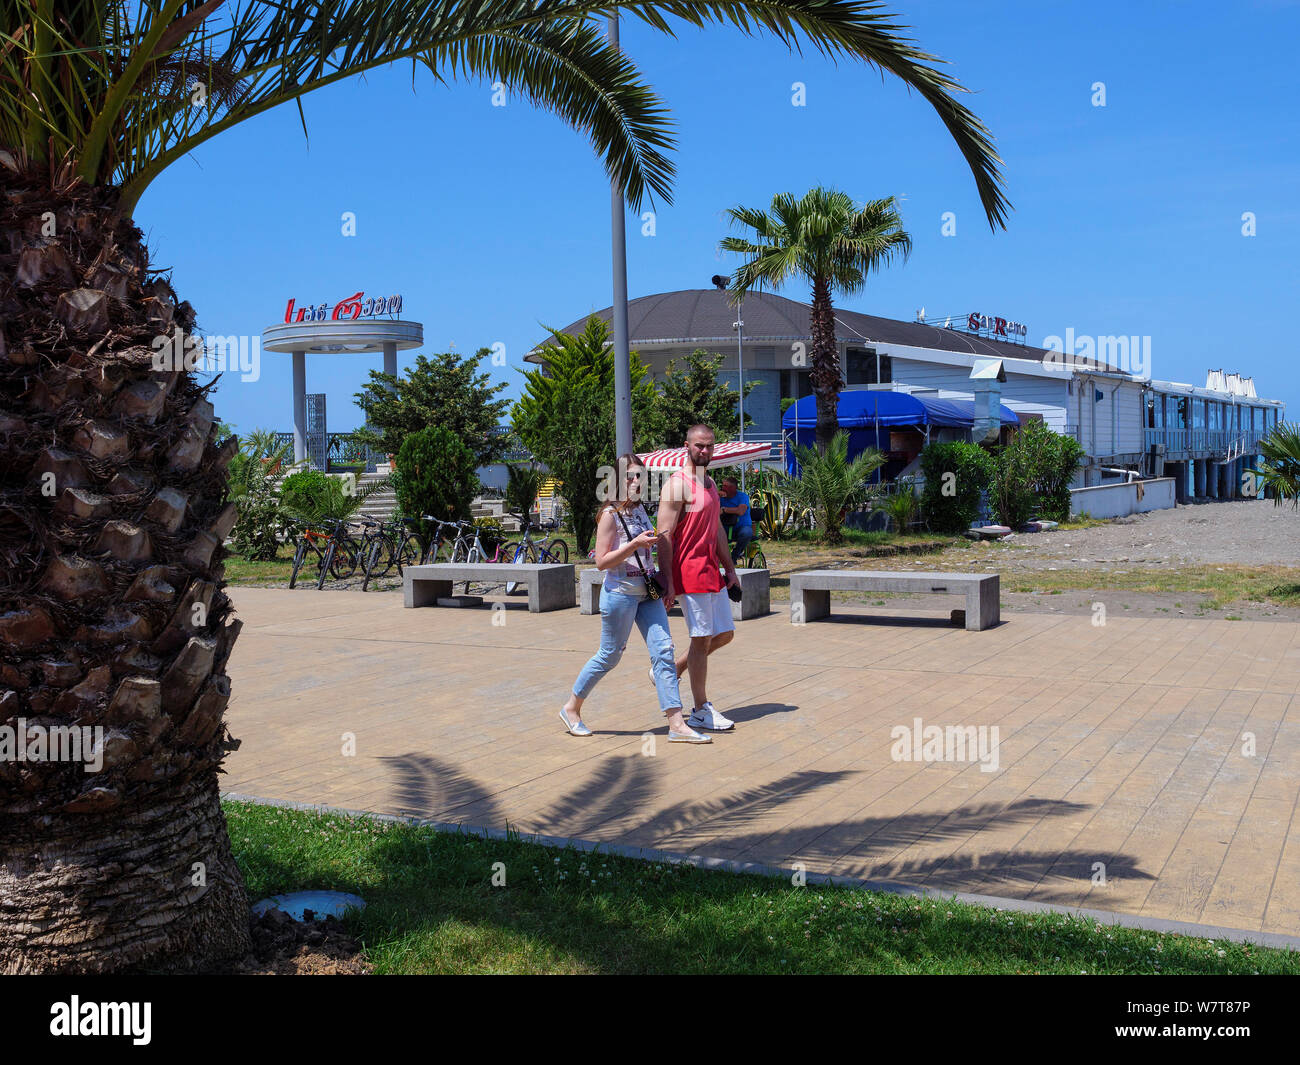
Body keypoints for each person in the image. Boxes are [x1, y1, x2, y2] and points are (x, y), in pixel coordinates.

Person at [560, 453, 711, 743]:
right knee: (610, 656)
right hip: (620, 596)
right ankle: (572, 708)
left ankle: (676, 723)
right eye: (630, 476)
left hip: (647, 593)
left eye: (640, 475)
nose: (636, 481)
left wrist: (664, 580)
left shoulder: (641, 510)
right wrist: (634, 544)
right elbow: (601, 562)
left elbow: (648, 552)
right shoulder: (609, 515)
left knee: (664, 651)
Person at [656, 424, 740, 732]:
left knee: (725, 633)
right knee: (700, 637)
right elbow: (663, 534)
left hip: (711, 570)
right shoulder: (676, 485)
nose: (704, 450)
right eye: (698, 446)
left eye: (709, 446)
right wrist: (668, 581)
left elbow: (716, 527)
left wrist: (729, 568)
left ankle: (672, 669)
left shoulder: (710, 483)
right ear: (687, 446)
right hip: (688, 569)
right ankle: (701, 709)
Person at [718, 475, 754, 566]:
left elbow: (741, 511)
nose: (723, 488)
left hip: (741, 527)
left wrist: (724, 510)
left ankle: (734, 556)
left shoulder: (742, 496)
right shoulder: (720, 497)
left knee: (746, 533)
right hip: (725, 527)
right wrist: (715, 494)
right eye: (723, 486)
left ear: (733, 488)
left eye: (726, 486)